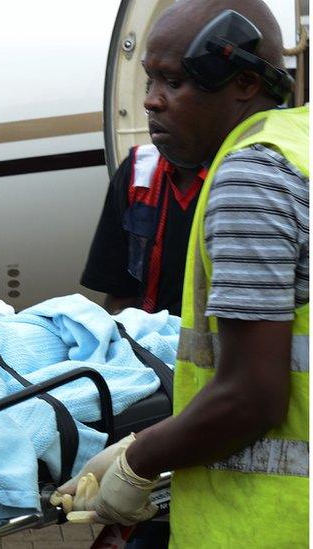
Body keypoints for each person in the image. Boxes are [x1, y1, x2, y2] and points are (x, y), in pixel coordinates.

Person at [55, 1, 308, 546]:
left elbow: (251, 397)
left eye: (173, 81)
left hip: (268, 526)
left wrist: (138, 461)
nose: (150, 100)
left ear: (244, 82)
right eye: (150, 79)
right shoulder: (301, 144)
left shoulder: (251, 174)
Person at [81, 146, 207, 316]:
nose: (154, 118)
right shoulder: (139, 171)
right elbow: (122, 293)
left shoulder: (239, 174)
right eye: (148, 116)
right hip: (156, 333)